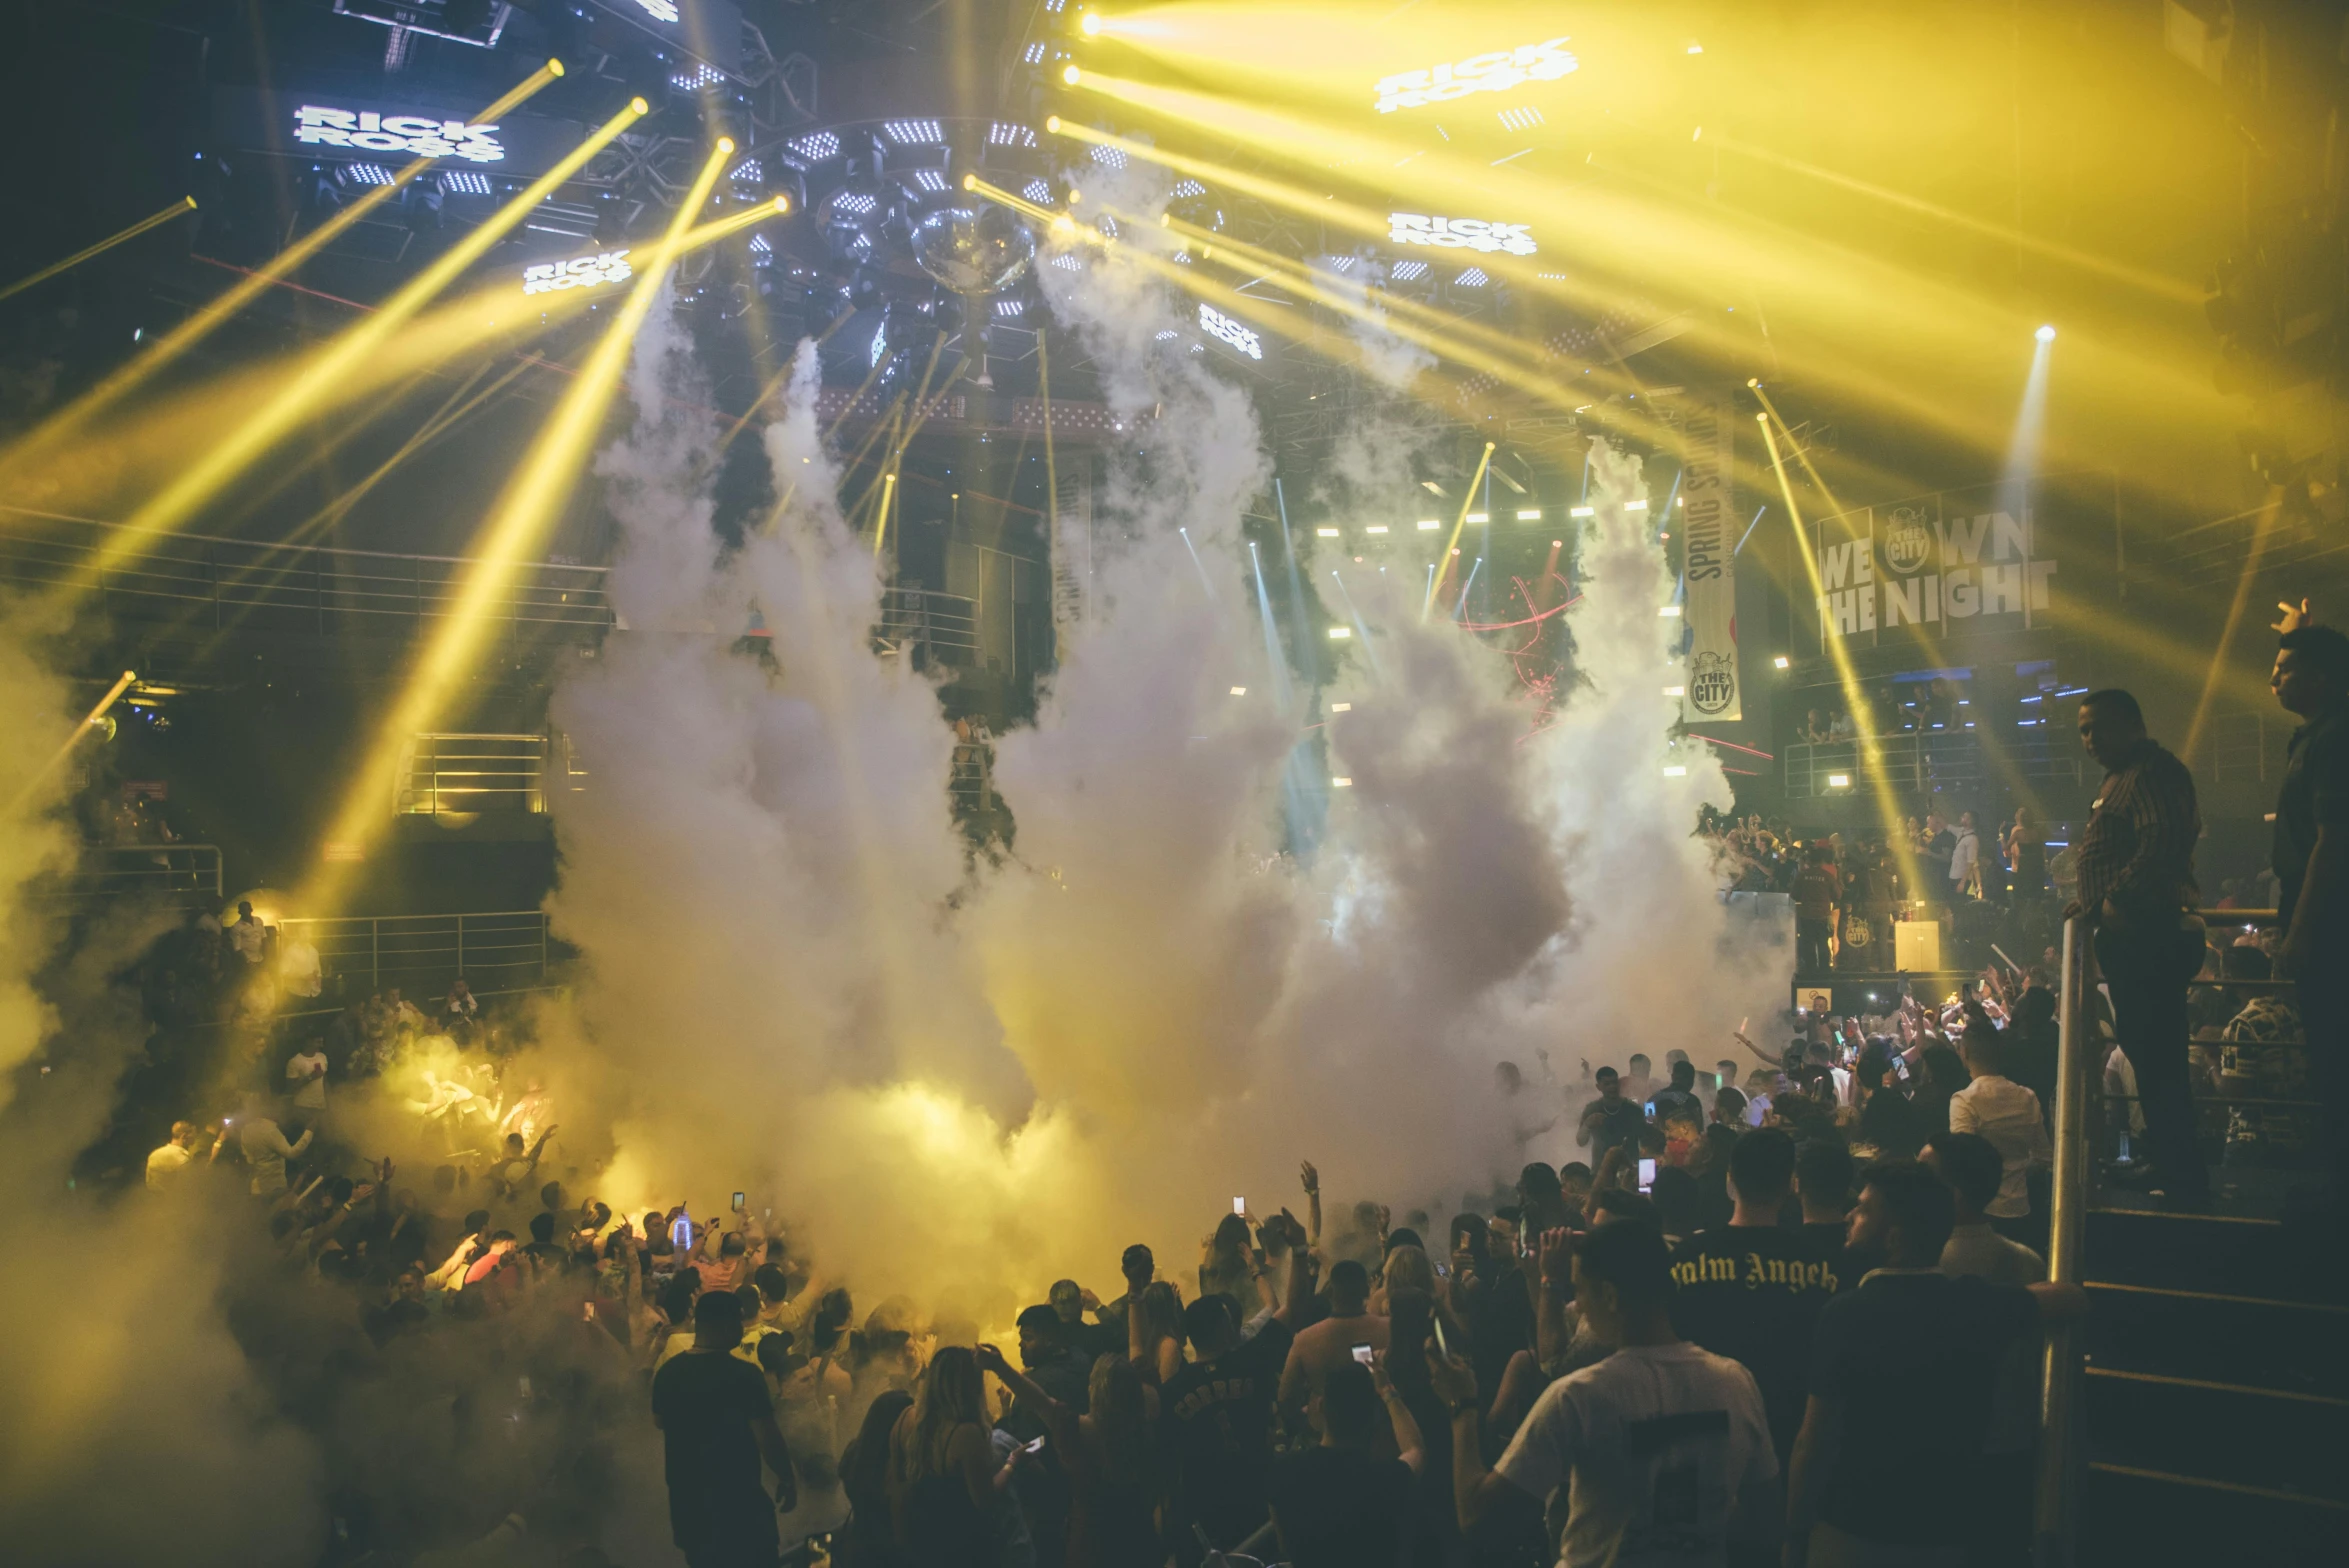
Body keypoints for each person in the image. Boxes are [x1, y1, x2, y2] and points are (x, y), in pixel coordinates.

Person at [1784, 1161, 2083, 1567]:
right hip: (1946, 1531)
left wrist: (1795, 1534)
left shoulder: (1845, 1315)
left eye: (1865, 1208)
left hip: (1853, 1527)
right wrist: (2017, 1296)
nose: (1851, 1214)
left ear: (1895, 1237)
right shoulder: (1977, 1306)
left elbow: (1813, 1441)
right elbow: (2071, 1298)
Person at [1437, 1220, 1780, 1563]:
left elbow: (1478, 1517)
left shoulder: (1580, 1398)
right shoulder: (1735, 1383)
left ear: (1611, 1297)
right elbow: (1765, 1524)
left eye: (1581, 1291)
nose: (1579, 1307)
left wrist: (1462, 1405)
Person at [2072, 688, 2206, 1203]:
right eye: (2083, 730)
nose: (2088, 740)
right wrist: (2089, 901)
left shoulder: (2152, 773)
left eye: (2097, 728)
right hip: (2133, 935)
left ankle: (2182, 1177)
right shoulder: (2120, 778)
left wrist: (2113, 899)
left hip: (2148, 934)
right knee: (2149, 1060)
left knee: (2160, 1060)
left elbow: (2161, 843)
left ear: (2131, 724)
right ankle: (2171, 1165)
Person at [1668, 1129, 1846, 1464]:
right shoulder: (1820, 1263)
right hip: (1788, 1433)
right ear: (1789, 1184)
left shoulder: (1686, 1257)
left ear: (1730, 1178)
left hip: (1703, 1435)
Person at [1169, 1235, 1312, 1560]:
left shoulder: (1173, 1390)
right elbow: (1295, 1308)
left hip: (1203, 1516)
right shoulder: (1252, 1359)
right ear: (1224, 1327)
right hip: (1257, 1501)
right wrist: (1300, 1252)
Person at [2269, 614, 2349, 1195]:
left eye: (2284, 668)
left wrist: (2300, 930)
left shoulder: (2332, 738)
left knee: (2333, 1046)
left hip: (2325, 915)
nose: (2273, 680)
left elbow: (2332, 839)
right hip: (2316, 908)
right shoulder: (2317, 735)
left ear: (2319, 678)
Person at [652, 1290, 797, 1568]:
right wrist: (787, 1477)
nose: (742, 1329)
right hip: (740, 1509)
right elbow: (767, 1436)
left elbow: (659, 1422)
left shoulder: (669, 1372)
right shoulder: (744, 1375)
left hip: (690, 1508)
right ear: (725, 1325)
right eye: (738, 1322)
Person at [1266, 1358, 1420, 1568]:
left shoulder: (1282, 1473)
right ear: (1375, 1416)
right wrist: (1388, 1391)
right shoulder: (1387, 1478)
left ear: (1321, 1406)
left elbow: (1284, 1547)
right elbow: (1416, 1449)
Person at [887, 1345, 1001, 1567]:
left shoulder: (905, 1418)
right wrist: (1012, 1466)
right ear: (972, 1384)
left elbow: (897, 1483)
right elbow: (985, 1502)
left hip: (917, 1539)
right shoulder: (966, 1434)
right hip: (957, 1546)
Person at [1947, 1012, 2052, 1245]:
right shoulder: (2027, 1097)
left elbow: (1961, 1160)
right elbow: (2045, 1156)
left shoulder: (1964, 1100)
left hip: (1982, 1214)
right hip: (2022, 1209)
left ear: (1964, 1053)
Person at [1925, 1134, 2047, 1285]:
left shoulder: (1923, 1263)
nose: (1909, 1182)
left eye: (1921, 1176)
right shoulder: (2030, 1261)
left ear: (1955, 1195)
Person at [1279, 1259, 1386, 1428]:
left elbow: (1286, 1399)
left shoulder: (1306, 1339)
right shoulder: (1388, 1329)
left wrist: (1309, 1423)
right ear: (1366, 1290)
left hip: (1326, 1433)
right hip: (1379, 1431)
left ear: (1332, 1292)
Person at [237, 1095, 313, 1197]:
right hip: (274, 1189)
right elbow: (291, 1153)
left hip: (256, 1188)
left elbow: (250, 1161)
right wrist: (310, 1131)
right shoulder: (270, 1131)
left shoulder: (245, 1130)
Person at [1576, 1067, 1648, 1168]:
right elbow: (1581, 1141)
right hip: (1600, 1170)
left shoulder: (1634, 1109)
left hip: (1630, 1170)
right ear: (1598, 1087)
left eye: (1615, 1082)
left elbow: (1646, 1143)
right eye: (1607, 1084)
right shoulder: (1592, 1109)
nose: (1612, 1087)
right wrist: (1587, 1125)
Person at [1793, 844, 1841, 975]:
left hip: (1806, 914)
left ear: (1808, 861)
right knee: (1822, 943)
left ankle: (1810, 970)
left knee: (1808, 943)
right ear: (1821, 862)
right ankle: (1825, 971)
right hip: (1823, 915)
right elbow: (1838, 895)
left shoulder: (1802, 876)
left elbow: (1794, 894)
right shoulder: (1828, 876)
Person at [146, 1121, 202, 1188]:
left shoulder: (154, 1154)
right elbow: (188, 1186)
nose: (195, 1137)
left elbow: (149, 1182)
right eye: (193, 1134)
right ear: (184, 1136)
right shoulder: (182, 1159)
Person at [284, 1041, 328, 1127]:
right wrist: (310, 1077)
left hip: (321, 1106)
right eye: (318, 1042)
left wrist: (329, 1100)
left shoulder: (322, 1057)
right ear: (308, 1042)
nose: (321, 1045)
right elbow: (290, 1087)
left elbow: (325, 1081)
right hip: (303, 1107)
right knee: (305, 1136)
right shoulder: (295, 1061)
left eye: (322, 1042)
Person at [1648, 1058, 1704, 1125]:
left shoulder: (1652, 1099)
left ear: (1672, 1077)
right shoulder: (1691, 1100)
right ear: (1691, 1080)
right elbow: (1698, 1129)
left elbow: (1648, 1124)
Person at [1948, 810, 1982, 901]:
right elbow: (1949, 827)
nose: (1962, 818)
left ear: (1971, 821)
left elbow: (1972, 864)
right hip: (1953, 875)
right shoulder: (1961, 832)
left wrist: (1963, 882)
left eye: (1965, 817)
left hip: (1962, 878)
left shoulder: (1972, 839)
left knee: (1960, 903)